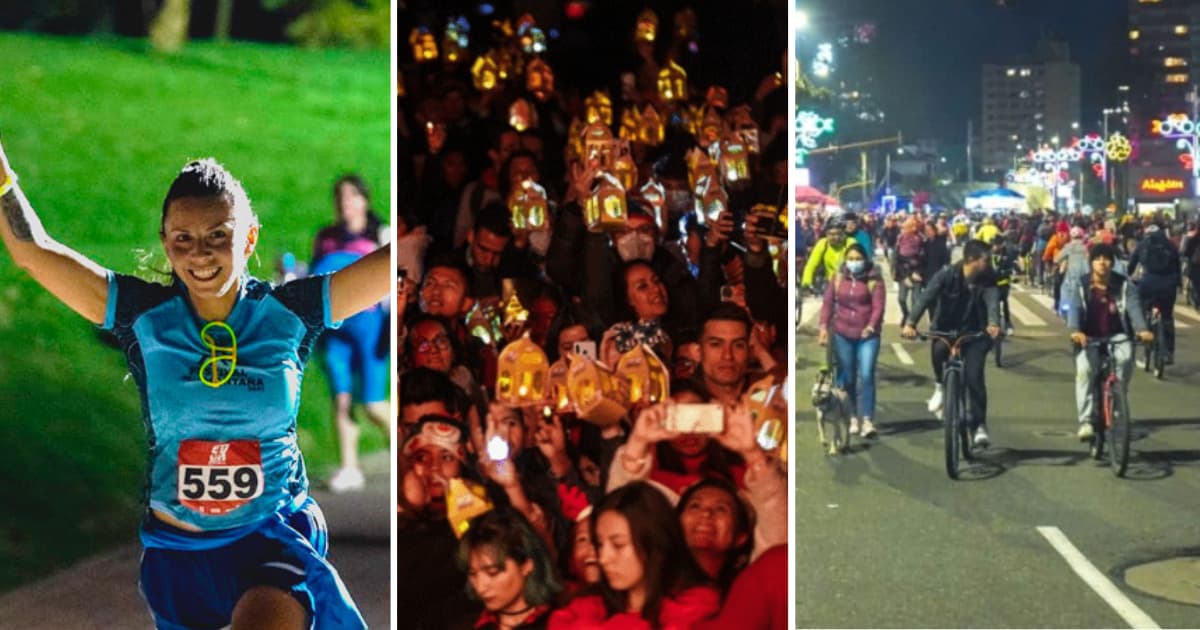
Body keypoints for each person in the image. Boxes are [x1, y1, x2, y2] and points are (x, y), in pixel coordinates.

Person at [0, 152, 389, 628]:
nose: (200, 253)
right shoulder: (143, 316)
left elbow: (393, 264)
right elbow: (31, 250)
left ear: (249, 238)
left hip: (269, 540)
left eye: (217, 236)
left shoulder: (291, 312)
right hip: (177, 554)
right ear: (165, 243)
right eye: (183, 238)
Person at [312, 174, 392, 493]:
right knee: (341, 398)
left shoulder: (379, 234)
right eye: (341, 198)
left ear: (364, 200)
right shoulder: (326, 238)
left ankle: (399, 444)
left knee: (372, 403)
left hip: (371, 328)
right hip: (336, 328)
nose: (346, 204)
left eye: (352, 197)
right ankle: (349, 466)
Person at [548, 482, 720, 628]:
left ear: (655, 543)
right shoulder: (581, 610)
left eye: (618, 545)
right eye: (600, 544)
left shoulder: (694, 610)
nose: (603, 558)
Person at [902, 240, 1001, 447]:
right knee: (938, 349)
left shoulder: (988, 278)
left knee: (974, 376)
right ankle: (940, 385)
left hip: (975, 332)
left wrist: (993, 323)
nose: (989, 263)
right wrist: (910, 323)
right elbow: (926, 297)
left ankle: (979, 425)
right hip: (946, 328)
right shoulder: (947, 274)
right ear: (972, 259)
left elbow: (993, 300)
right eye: (986, 259)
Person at [1065, 244, 1154, 440]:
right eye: (1098, 259)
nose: (1102, 263)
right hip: (1088, 337)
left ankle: (1117, 398)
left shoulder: (1124, 285)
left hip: (1116, 335)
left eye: (1107, 259)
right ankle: (1086, 420)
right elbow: (1074, 309)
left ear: (1113, 263)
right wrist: (1075, 331)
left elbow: (1134, 309)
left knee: (1125, 357)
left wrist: (1142, 330)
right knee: (1085, 372)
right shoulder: (1081, 285)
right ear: (1091, 263)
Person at [818, 242, 885, 438]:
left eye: (858, 259)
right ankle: (853, 417)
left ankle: (867, 420)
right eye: (851, 259)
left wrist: (871, 326)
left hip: (868, 336)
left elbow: (878, 307)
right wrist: (823, 327)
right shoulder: (838, 279)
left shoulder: (875, 280)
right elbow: (827, 304)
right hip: (842, 334)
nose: (854, 263)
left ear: (865, 260)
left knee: (866, 375)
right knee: (847, 378)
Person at [461, 509, 564, 630]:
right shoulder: (470, 626)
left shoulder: (562, 622)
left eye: (492, 573)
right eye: (473, 574)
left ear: (527, 564)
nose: (480, 587)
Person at [1128, 224, 1181, 364]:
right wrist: (1178, 284)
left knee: (1142, 307)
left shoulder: (1143, 244)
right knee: (1168, 317)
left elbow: (1132, 264)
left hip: (1148, 284)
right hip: (1168, 286)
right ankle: (1169, 352)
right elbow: (1177, 265)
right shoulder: (1170, 245)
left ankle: (1145, 334)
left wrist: (1127, 278)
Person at [800, 221, 849, 293]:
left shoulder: (849, 242)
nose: (834, 237)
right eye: (831, 234)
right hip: (829, 283)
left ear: (842, 234)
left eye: (837, 234)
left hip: (848, 282)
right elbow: (811, 264)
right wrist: (806, 282)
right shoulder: (823, 243)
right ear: (826, 234)